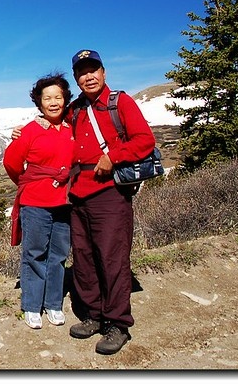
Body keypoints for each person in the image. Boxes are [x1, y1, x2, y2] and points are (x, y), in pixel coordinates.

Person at [65, 49, 156, 355]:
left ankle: (117, 324)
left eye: (93, 70)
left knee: (112, 259)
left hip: (110, 193)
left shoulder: (120, 103)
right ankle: (93, 314)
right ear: (76, 78)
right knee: (84, 257)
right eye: (82, 72)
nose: (88, 76)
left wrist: (113, 157)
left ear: (103, 73)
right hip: (78, 193)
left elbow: (145, 140)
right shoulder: (75, 109)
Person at [3, 72, 74, 330]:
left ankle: (53, 303)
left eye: (58, 97)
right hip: (35, 203)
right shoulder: (29, 131)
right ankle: (32, 306)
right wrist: (29, 183)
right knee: (34, 254)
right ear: (39, 102)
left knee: (58, 255)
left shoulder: (73, 128)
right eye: (47, 98)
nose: (53, 102)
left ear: (65, 99)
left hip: (65, 202)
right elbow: (11, 162)